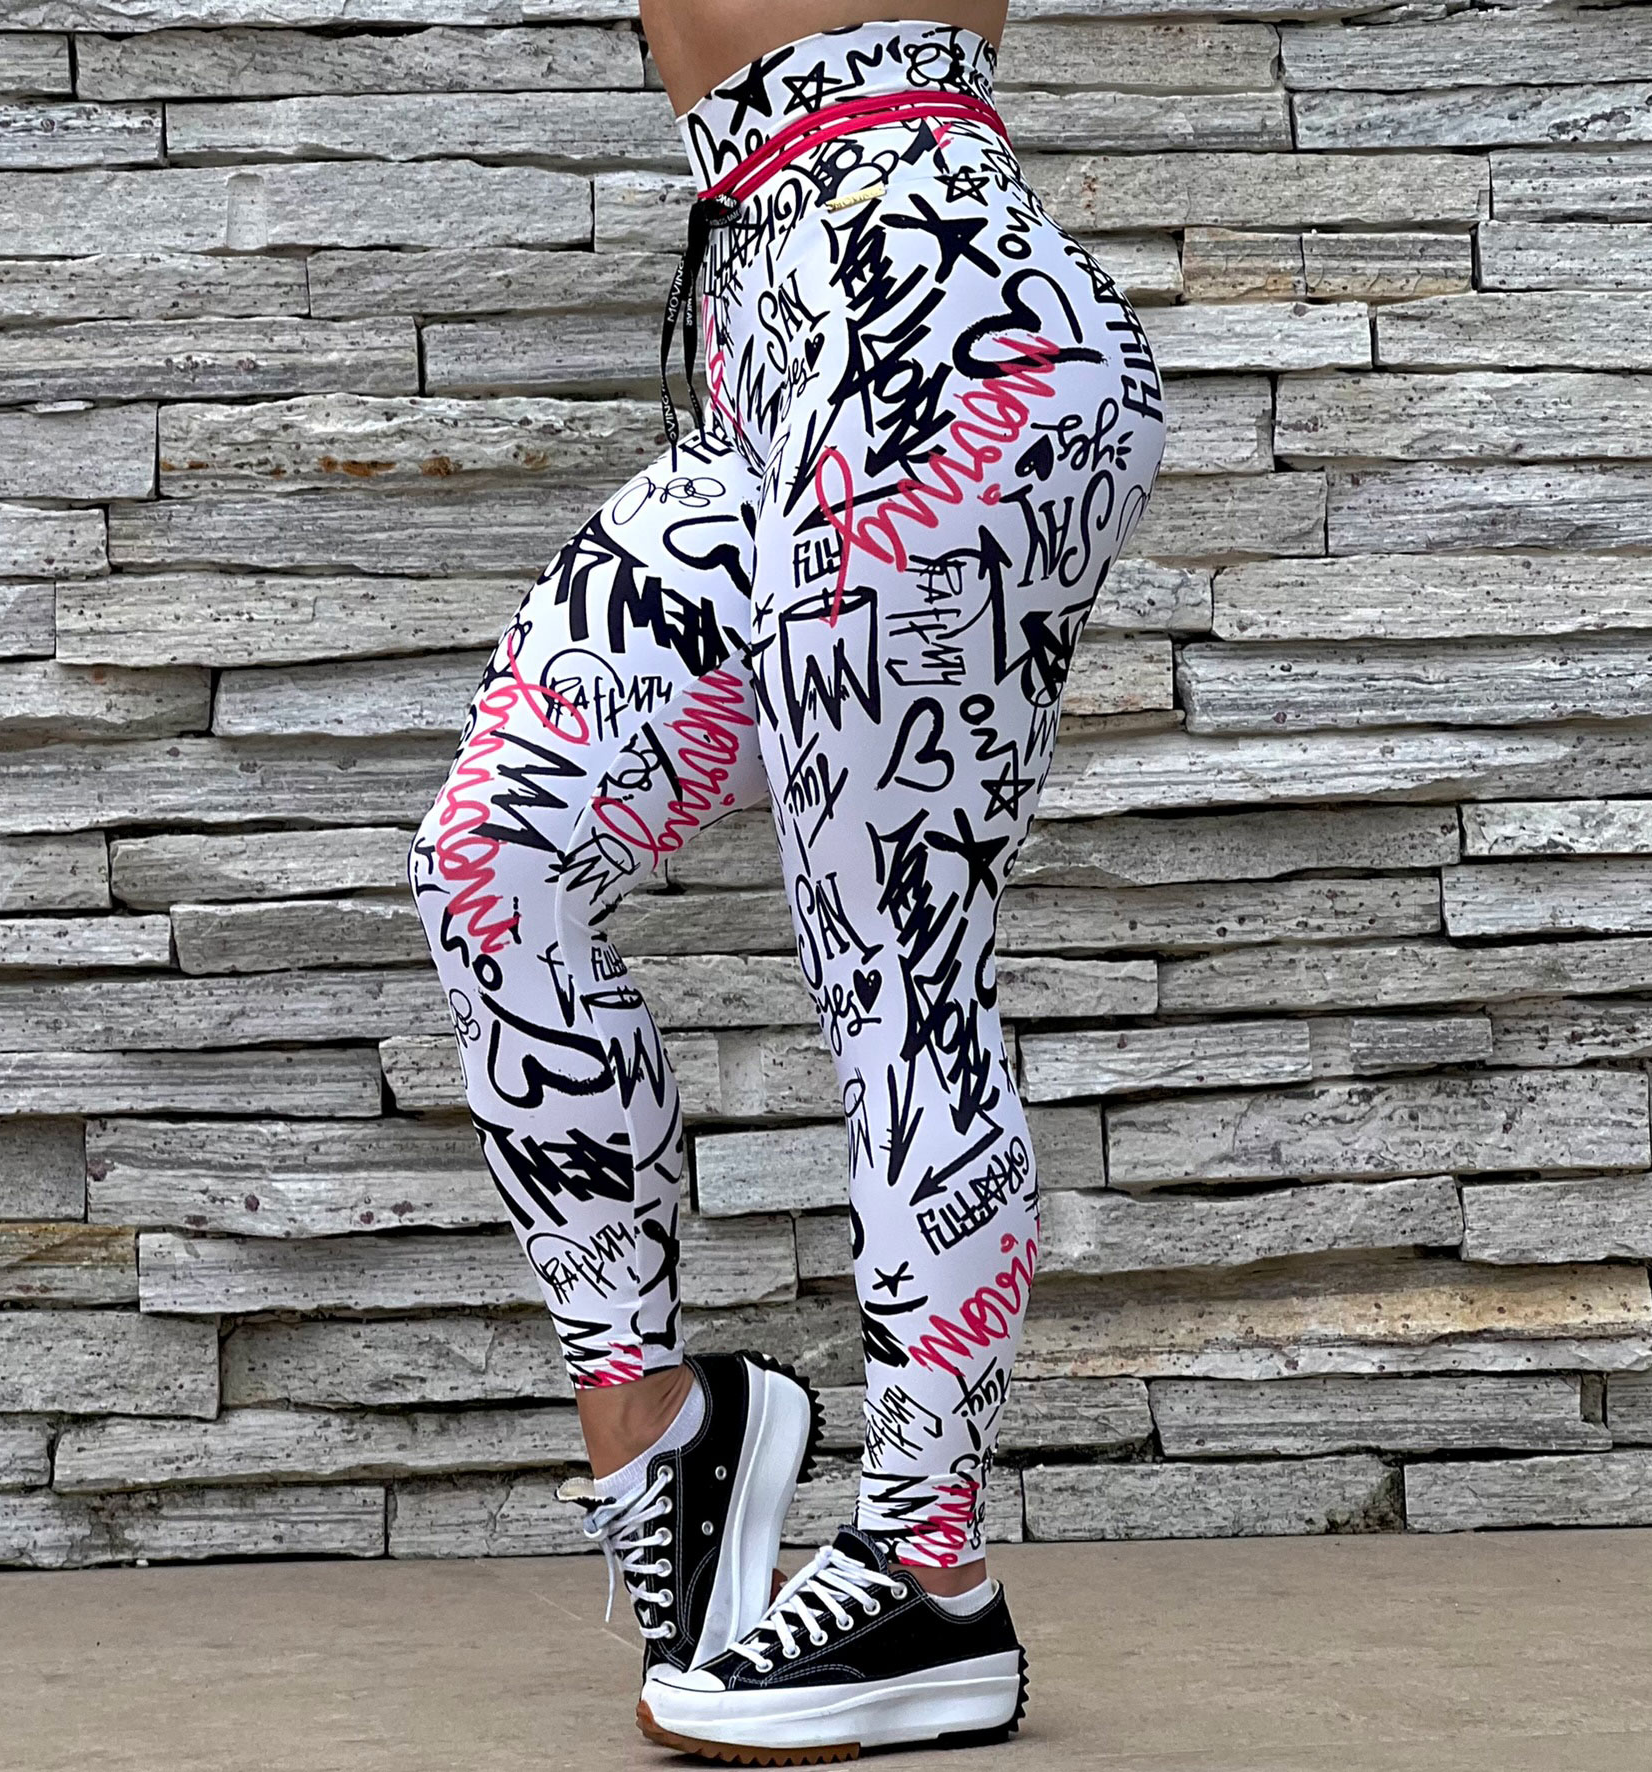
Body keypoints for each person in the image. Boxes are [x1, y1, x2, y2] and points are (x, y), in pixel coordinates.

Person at [408, 1, 1166, 1757]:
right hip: (773, 345)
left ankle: (930, 1572)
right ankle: (667, 1432)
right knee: (495, 862)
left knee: (897, 960)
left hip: (940, 319)